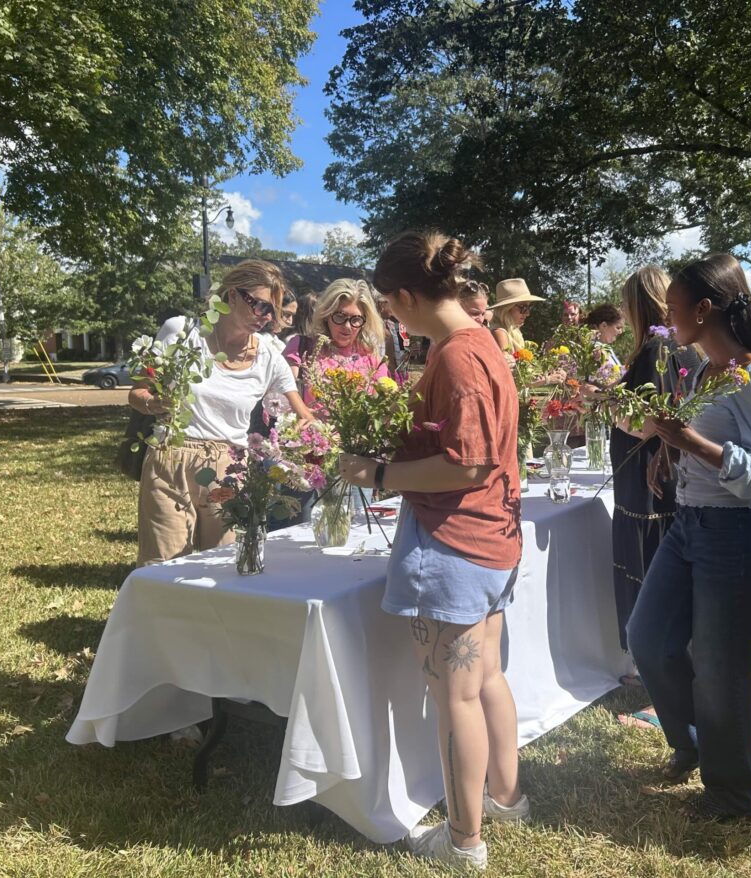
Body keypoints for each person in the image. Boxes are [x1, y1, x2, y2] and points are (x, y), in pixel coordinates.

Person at [338, 231, 526, 871]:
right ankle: (506, 796)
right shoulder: (480, 344)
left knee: (455, 695)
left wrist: (380, 474)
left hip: (455, 541)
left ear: (408, 295)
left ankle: (464, 840)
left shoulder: (456, 357)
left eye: (388, 304)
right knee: (485, 679)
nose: (387, 315)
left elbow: (468, 463)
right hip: (491, 537)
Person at [626, 253, 751, 821]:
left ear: (705, 307)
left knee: (721, 668)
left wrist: (689, 442)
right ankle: (692, 743)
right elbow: (695, 439)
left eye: (673, 308)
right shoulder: (698, 371)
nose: (667, 318)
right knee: (647, 637)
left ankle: (734, 793)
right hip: (688, 523)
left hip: (733, 533)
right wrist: (669, 454)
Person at [128, 260, 312, 565]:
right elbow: (137, 392)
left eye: (275, 312)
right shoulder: (182, 333)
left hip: (230, 470)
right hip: (172, 459)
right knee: (164, 567)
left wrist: (298, 446)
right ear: (232, 295)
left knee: (224, 568)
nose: (268, 318)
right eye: (262, 306)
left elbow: (302, 415)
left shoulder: (268, 356)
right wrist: (154, 404)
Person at [609, 267, 702, 690]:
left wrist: (606, 404)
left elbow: (648, 422)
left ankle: (655, 667)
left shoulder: (655, 348)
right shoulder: (680, 345)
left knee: (646, 565)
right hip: (664, 472)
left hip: (649, 475)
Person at [284, 278, 388, 405]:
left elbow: (383, 405)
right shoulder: (301, 347)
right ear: (326, 314)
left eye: (356, 319)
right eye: (340, 316)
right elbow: (283, 396)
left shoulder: (372, 358)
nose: (347, 326)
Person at [490, 278, 545, 353]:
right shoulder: (500, 333)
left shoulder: (512, 332)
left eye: (529, 307)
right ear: (507, 308)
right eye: (523, 307)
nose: (527, 313)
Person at [377, 292, 412, 378]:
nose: (394, 307)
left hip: (396, 378)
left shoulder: (394, 325)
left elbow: (403, 352)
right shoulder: (370, 329)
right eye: (391, 302)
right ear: (381, 304)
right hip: (378, 381)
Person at [583, 303, 625, 368]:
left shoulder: (606, 348)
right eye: (618, 328)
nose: (620, 332)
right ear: (604, 325)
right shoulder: (595, 350)